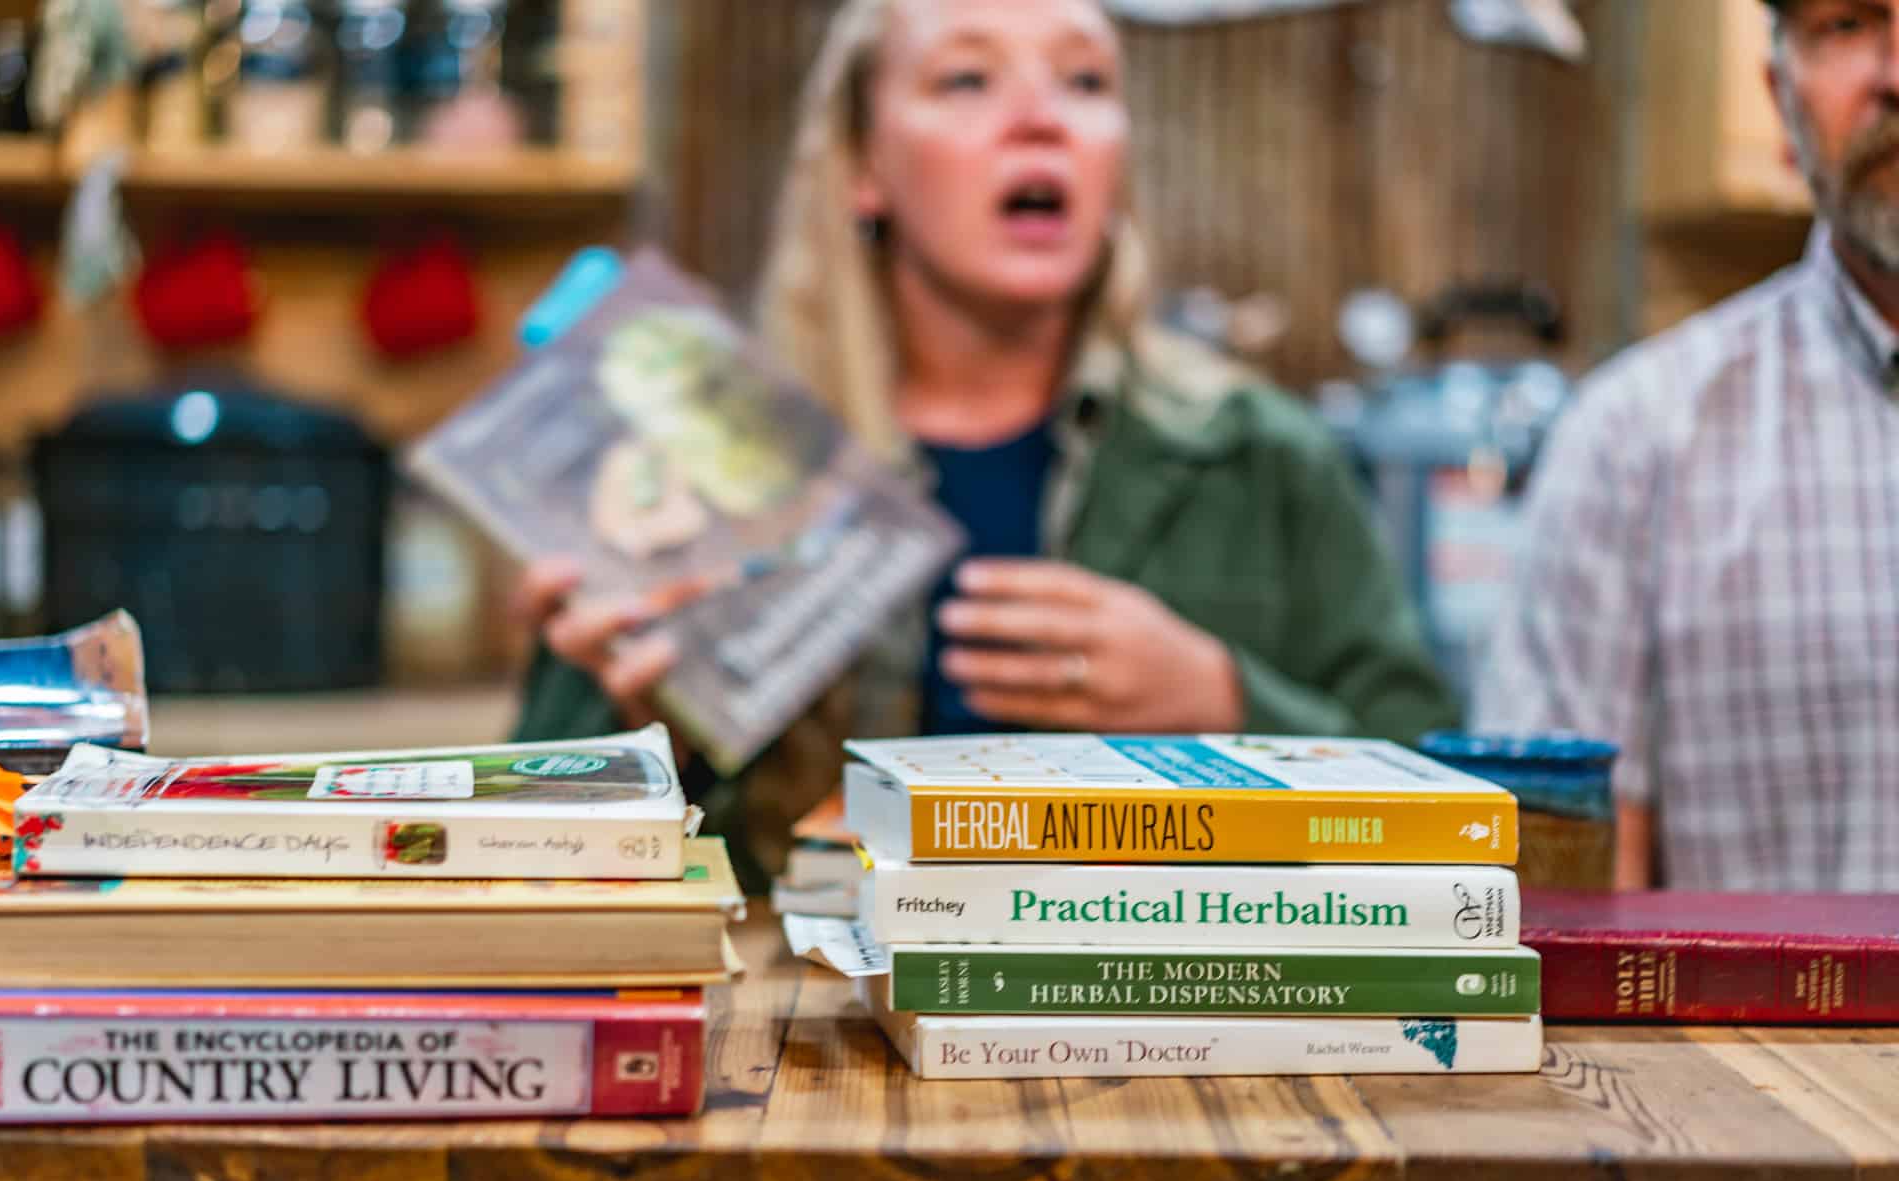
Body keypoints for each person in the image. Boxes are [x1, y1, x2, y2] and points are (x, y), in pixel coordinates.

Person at [514, 0, 1458, 877]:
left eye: (1085, 82)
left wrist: (1224, 704)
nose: (1041, 117)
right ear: (862, 167)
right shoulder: (692, 458)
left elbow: (1451, 818)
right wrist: (648, 743)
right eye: (967, 80)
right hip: (794, 1042)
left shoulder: (1260, 454)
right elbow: (520, 859)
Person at [1477, 0, 1899, 891]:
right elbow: (1566, 919)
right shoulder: (1631, 444)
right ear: (1779, 96)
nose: (1895, 74)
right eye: (1847, 23)